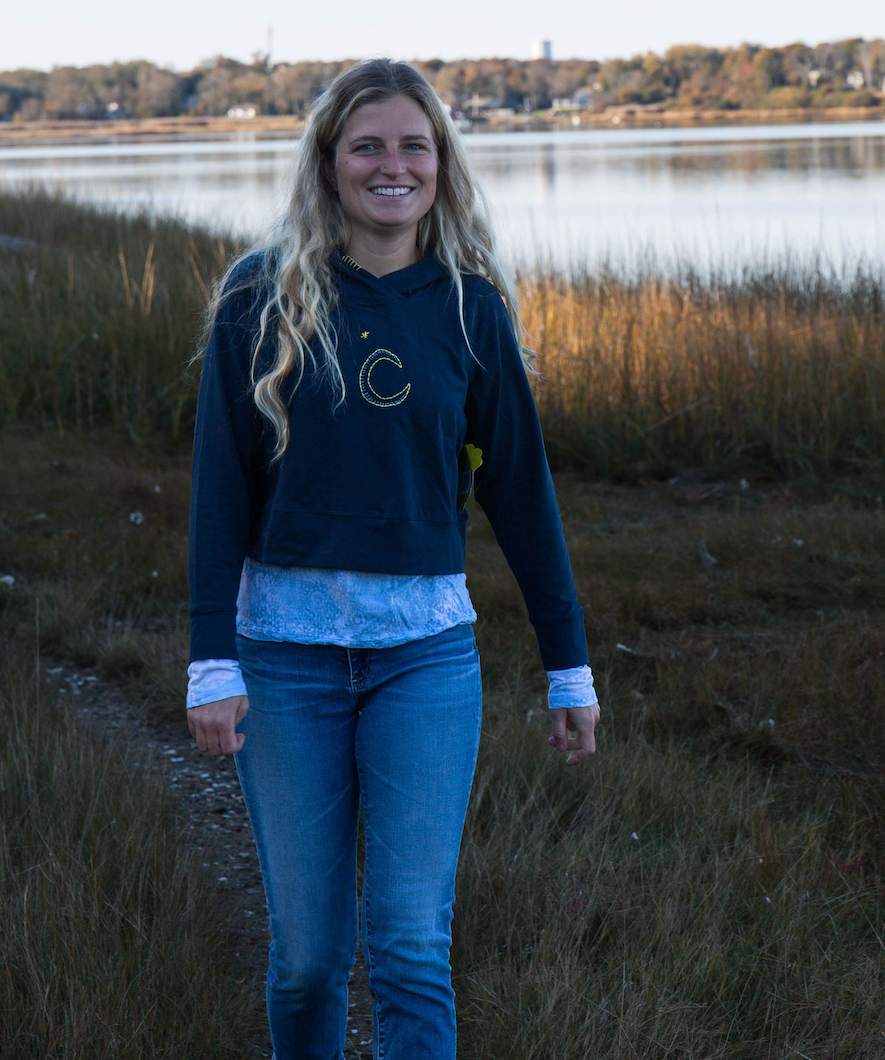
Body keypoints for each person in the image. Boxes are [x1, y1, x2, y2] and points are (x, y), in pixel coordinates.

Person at [183, 59, 599, 1060]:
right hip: (284, 659)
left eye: (414, 145)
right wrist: (211, 657)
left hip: (425, 658)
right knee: (309, 960)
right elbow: (220, 490)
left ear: (441, 166)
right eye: (367, 145)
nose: (392, 165)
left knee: (411, 948)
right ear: (329, 163)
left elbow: (523, 496)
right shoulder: (258, 294)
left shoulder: (469, 308)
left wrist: (568, 663)